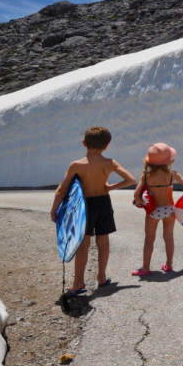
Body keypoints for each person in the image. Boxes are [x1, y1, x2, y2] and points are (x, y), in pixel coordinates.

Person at [51, 126, 136, 294]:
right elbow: (131, 180)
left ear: (84, 143)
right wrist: (110, 187)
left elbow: (62, 190)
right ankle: (102, 277)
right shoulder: (110, 163)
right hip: (104, 203)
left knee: (83, 244)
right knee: (103, 242)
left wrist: (54, 210)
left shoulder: (76, 165)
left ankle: (78, 282)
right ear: (106, 145)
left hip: (84, 206)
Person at [132, 143, 183, 276]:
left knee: (149, 239)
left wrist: (142, 202)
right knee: (168, 237)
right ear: (169, 160)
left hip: (153, 211)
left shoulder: (146, 175)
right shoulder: (172, 174)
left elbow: (136, 195)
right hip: (169, 210)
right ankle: (168, 265)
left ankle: (145, 268)